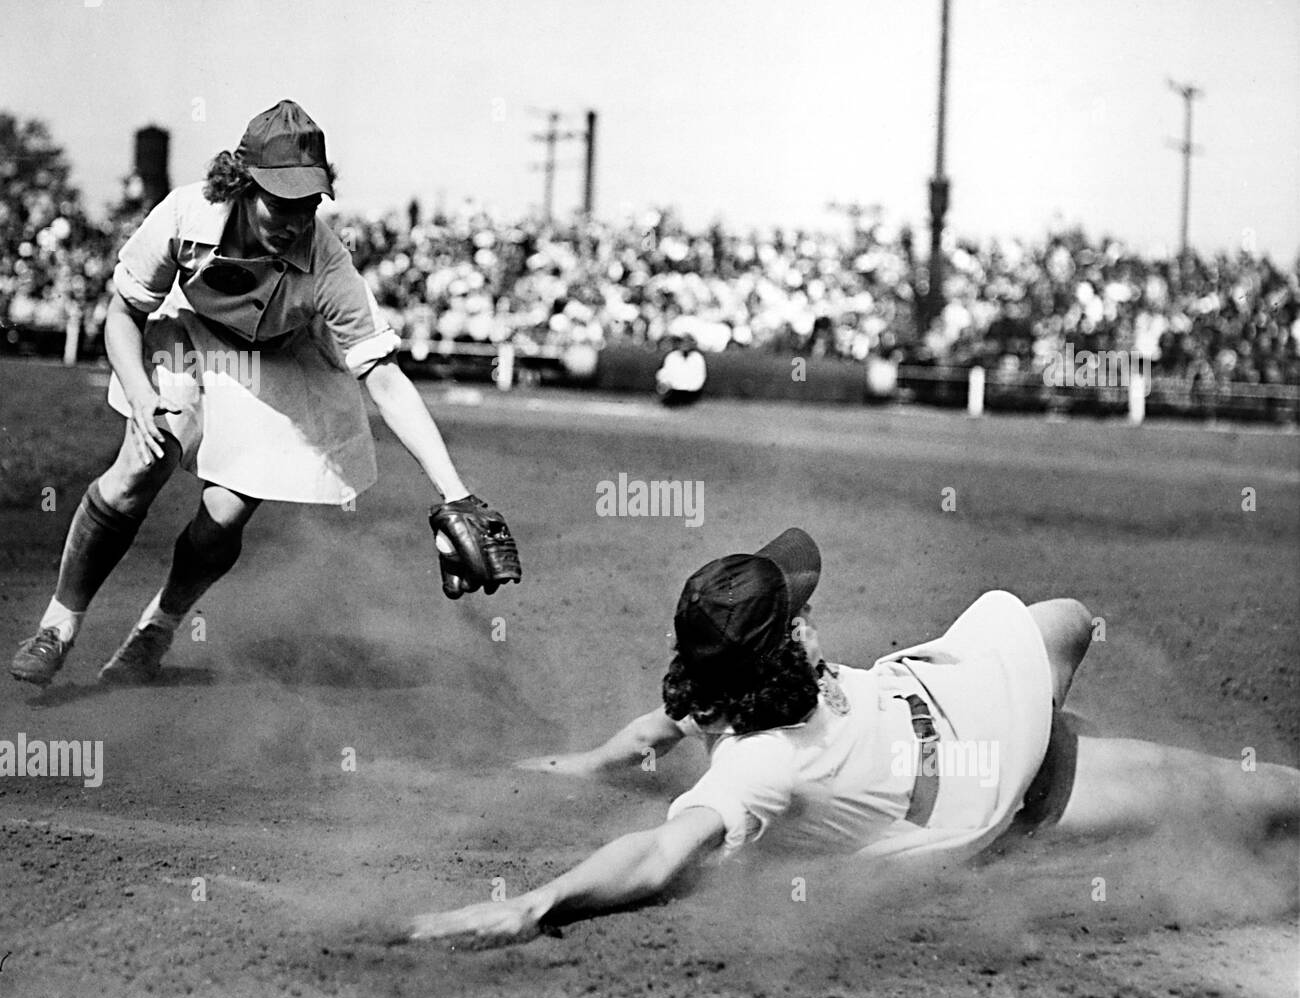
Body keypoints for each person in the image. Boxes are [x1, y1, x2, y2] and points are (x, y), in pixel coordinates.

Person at [410, 527, 1298, 948]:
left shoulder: (720, 685)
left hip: (953, 680)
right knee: (1240, 793)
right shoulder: (757, 764)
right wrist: (538, 901)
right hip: (1000, 775)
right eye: (798, 615)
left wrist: (581, 763)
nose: (810, 614)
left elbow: (649, 731)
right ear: (780, 648)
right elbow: (661, 847)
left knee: (1067, 618)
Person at [11, 101, 518, 687]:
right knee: (142, 466)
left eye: (308, 204)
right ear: (242, 181)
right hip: (186, 334)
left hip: (282, 357)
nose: (295, 218)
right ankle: (59, 624)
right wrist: (140, 392)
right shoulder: (186, 211)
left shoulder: (328, 263)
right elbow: (122, 313)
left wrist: (456, 494)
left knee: (223, 515)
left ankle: (155, 630)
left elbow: (384, 379)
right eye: (280, 201)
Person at [654, 335, 707, 407]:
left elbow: (700, 376)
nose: (685, 346)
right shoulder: (672, 356)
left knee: (685, 403)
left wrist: (691, 387)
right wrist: (664, 383)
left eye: (688, 343)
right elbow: (664, 373)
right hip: (674, 390)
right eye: (683, 343)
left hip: (691, 391)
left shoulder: (697, 358)